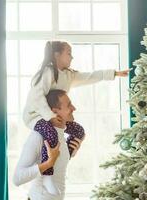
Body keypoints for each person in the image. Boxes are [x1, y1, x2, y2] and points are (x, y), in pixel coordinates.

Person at [23, 40, 129, 175]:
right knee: (50, 132)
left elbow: (90, 76)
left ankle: (62, 162)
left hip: (57, 117)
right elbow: (37, 98)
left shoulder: (68, 75)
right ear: (57, 55)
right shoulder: (47, 72)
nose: (72, 57)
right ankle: (47, 172)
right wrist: (50, 117)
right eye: (68, 53)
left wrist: (114, 73)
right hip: (36, 116)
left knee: (79, 131)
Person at [14, 89, 82, 200]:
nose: (74, 108)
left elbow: (58, 168)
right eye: (69, 105)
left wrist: (72, 153)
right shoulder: (38, 137)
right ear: (54, 112)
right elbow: (17, 178)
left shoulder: (61, 136)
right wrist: (48, 163)